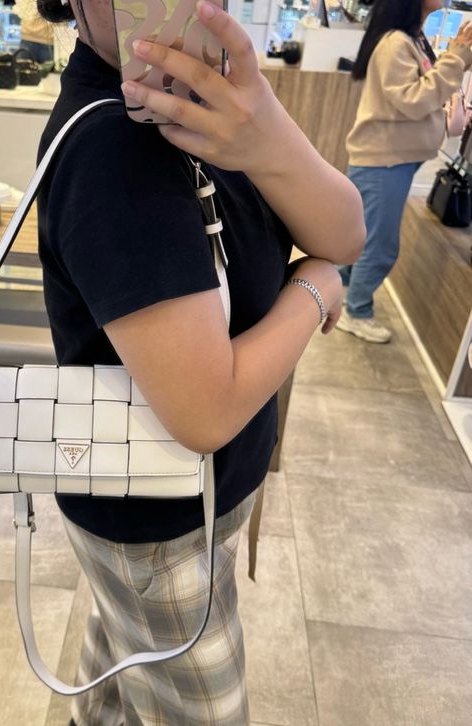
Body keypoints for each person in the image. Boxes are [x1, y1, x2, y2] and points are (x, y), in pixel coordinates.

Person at [34, 0, 364, 723]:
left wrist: (268, 132)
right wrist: (313, 291)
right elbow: (206, 410)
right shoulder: (113, 148)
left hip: (183, 506)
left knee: (123, 672)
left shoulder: (219, 102)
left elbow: (345, 233)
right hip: (160, 528)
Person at [338, 0, 472, 343]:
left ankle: (342, 295)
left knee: (364, 238)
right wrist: (456, 58)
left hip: (391, 160)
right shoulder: (396, 42)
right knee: (379, 246)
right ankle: (356, 312)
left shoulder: (411, 38)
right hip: (384, 161)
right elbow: (413, 101)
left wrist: (456, 57)